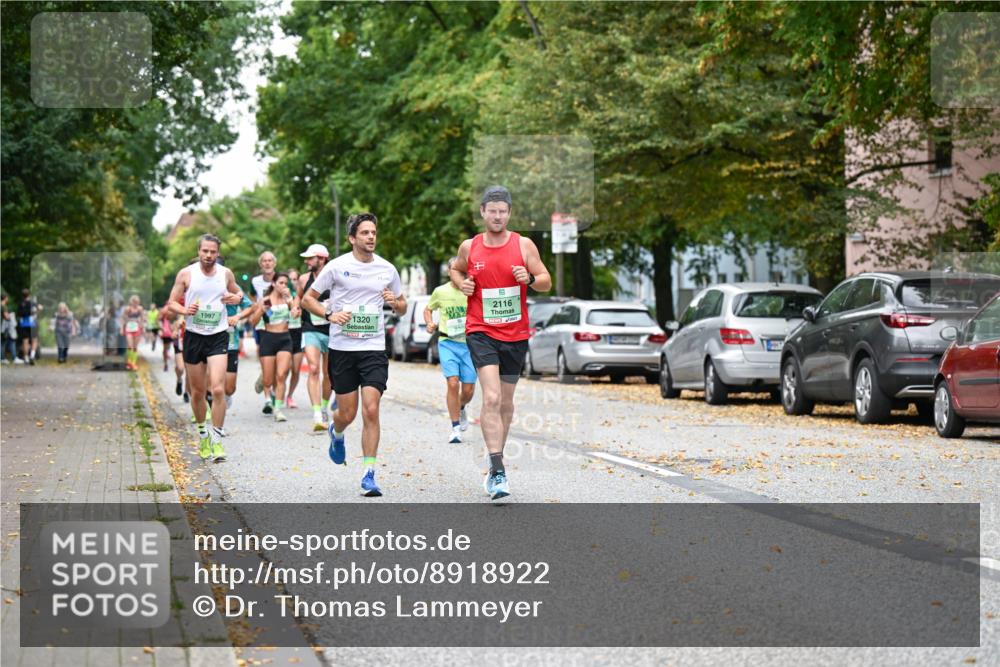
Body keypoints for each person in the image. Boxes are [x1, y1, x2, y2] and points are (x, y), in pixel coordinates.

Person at [451, 185, 552, 500]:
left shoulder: (523, 245)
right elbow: (454, 268)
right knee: (491, 397)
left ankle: (496, 454)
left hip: (516, 334)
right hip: (481, 330)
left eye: (502, 211)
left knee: (506, 403)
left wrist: (530, 279)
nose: (497, 216)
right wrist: (462, 282)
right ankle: (497, 469)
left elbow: (547, 281)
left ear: (509, 213)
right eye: (491, 211)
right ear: (482, 212)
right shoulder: (471, 246)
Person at [302, 213, 406, 497]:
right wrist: (329, 313)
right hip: (343, 349)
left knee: (371, 409)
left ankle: (369, 473)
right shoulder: (336, 267)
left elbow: (403, 305)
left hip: (373, 348)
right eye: (365, 233)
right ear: (352, 238)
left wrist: (394, 302)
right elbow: (307, 299)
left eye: (373, 232)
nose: (371, 237)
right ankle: (336, 433)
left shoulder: (387, 269)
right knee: (346, 413)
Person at [166, 234, 244, 462]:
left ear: (218, 253)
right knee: (198, 392)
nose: (209, 255)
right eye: (205, 251)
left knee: (218, 389)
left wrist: (234, 297)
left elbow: (238, 293)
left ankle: (217, 440)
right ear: (199, 251)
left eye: (213, 252)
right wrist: (184, 311)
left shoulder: (225, 273)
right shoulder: (186, 274)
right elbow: (171, 302)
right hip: (193, 337)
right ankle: (203, 434)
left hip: (218, 336)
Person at [425, 257, 477, 444]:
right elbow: (428, 309)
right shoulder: (440, 291)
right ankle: (455, 428)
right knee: (453, 383)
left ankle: (461, 407)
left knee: (469, 389)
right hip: (447, 341)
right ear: (450, 272)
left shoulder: (472, 290)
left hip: (469, 345)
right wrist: (430, 323)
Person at [298, 244, 334, 433]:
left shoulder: (334, 277)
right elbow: (300, 298)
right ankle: (317, 413)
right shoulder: (304, 279)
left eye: (310, 258)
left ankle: (325, 406)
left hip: (332, 330)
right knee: (313, 368)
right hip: (310, 328)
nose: (306, 261)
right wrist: (296, 307)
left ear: (321, 259)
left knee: (328, 374)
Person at [249, 273, 294, 423]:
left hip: (285, 339)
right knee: (269, 381)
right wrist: (260, 310)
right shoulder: (266, 300)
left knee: (281, 375)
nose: (284, 286)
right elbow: (253, 322)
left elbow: (295, 314)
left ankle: (278, 409)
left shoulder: (289, 299)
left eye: (286, 283)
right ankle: (264, 378)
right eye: (281, 283)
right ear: (274, 284)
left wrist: (291, 302)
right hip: (268, 338)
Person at [251, 251, 278, 414]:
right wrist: (258, 306)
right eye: (264, 261)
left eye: (270, 261)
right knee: (266, 359)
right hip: (261, 325)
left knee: (279, 364)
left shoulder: (281, 280)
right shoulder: (255, 281)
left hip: (279, 324)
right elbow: (252, 300)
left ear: (274, 263)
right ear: (260, 264)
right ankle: (268, 398)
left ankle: (268, 380)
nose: (267, 263)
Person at [285, 268, 305, 409]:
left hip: (298, 332)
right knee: (283, 368)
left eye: (294, 279)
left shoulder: (300, 296)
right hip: (283, 333)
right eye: (289, 279)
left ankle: (290, 395)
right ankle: (276, 392)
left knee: (296, 369)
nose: (292, 282)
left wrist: (292, 301)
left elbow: (297, 313)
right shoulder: (278, 294)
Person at [17, 288, 41, 364]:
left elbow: (19, 314)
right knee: (34, 340)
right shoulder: (33, 303)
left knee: (25, 341)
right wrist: (39, 309)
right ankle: (32, 356)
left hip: (24, 324)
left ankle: (26, 358)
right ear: (29, 295)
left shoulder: (20, 303)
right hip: (33, 324)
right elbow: (36, 312)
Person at [121, 295, 145, 370]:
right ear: (131, 302)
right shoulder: (128, 309)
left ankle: (133, 363)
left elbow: (142, 318)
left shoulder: (140, 309)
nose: (135, 304)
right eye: (134, 302)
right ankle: (129, 362)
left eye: (137, 302)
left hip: (137, 329)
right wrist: (122, 328)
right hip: (129, 329)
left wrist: (142, 327)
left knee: (135, 347)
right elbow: (123, 318)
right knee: (130, 346)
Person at [1, 293, 17, 364]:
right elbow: (6, 317)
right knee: (2, 343)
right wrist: (11, 315)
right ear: (5, 298)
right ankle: (2, 358)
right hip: (3, 327)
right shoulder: (3, 306)